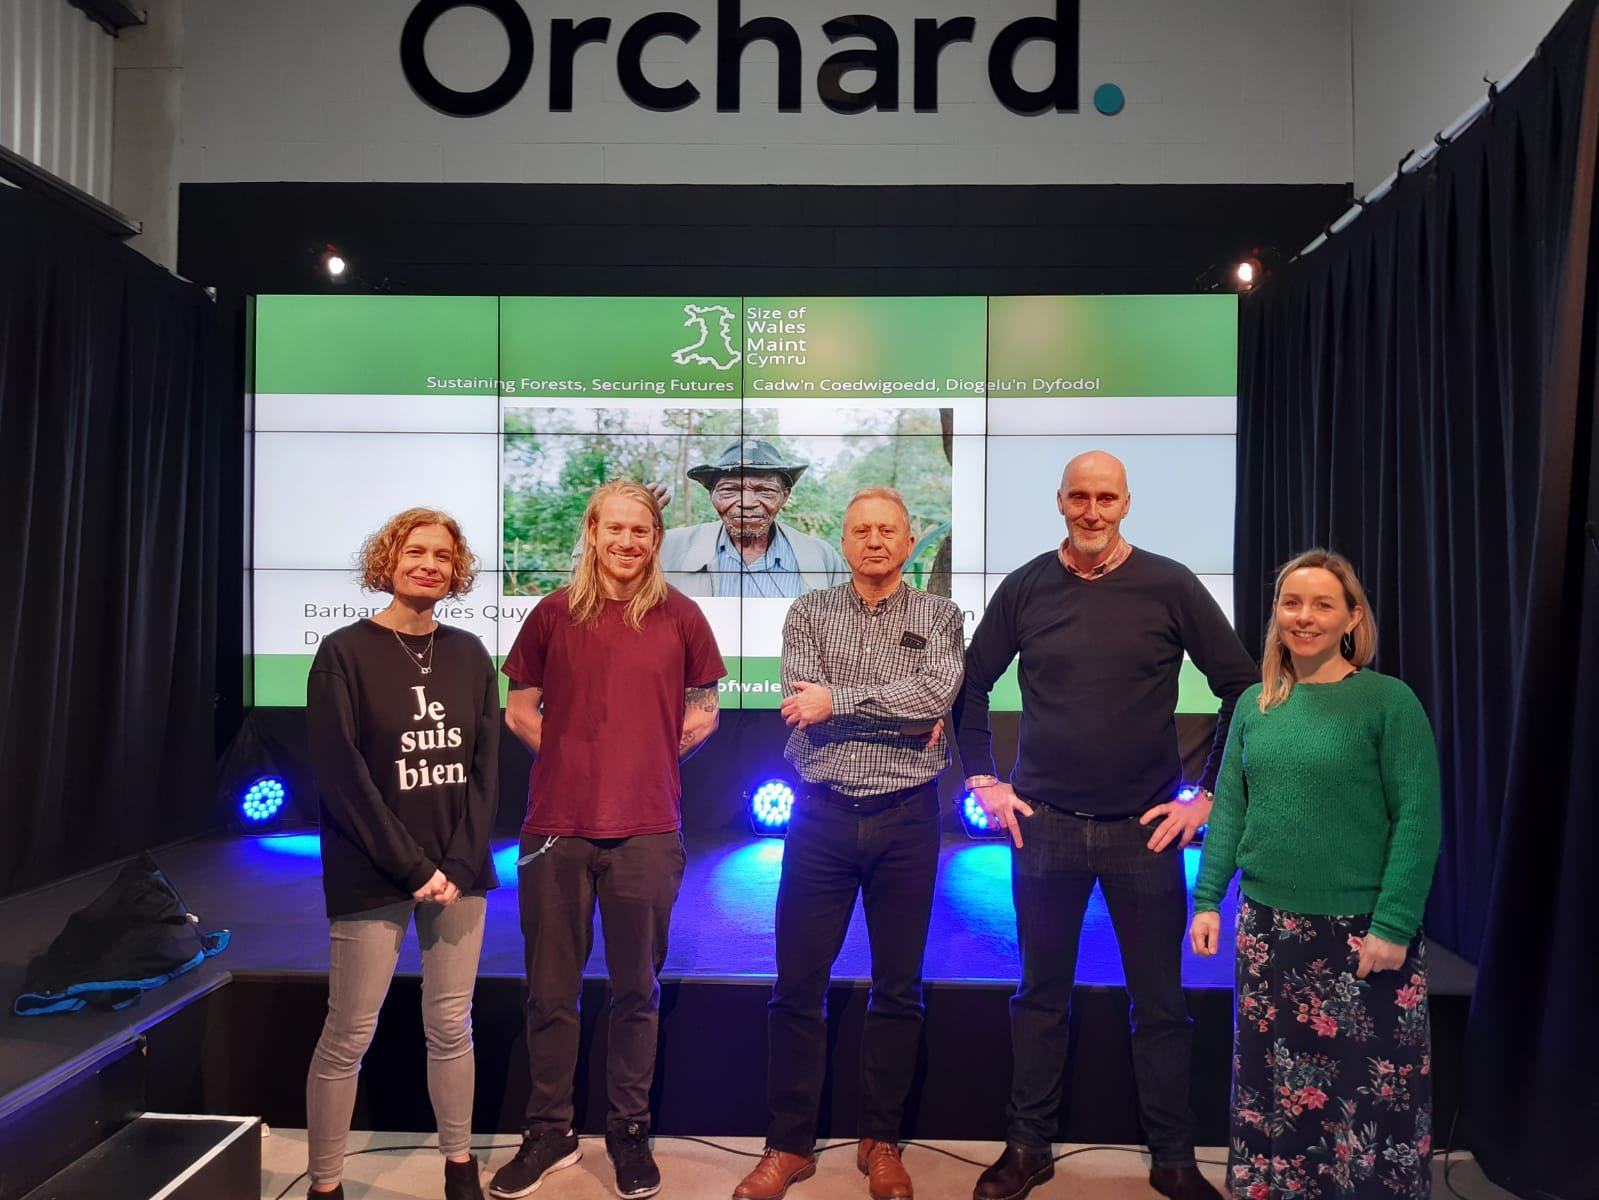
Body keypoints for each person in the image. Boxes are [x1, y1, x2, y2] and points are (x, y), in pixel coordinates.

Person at [957, 450, 1256, 1200]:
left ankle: (1174, 1157)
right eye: (1079, 497)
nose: (1092, 510)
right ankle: (1025, 1147)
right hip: (1044, 827)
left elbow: (1241, 688)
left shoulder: (1169, 583)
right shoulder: (1025, 584)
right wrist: (982, 778)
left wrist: (1208, 794)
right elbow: (970, 683)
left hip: (1143, 834)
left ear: (1126, 502)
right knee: (1037, 998)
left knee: (1160, 1005)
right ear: (1059, 500)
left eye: (1106, 498)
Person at [491, 480, 726, 1200]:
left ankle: (628, 1131)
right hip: (554, 830)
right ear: (591, 533)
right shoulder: (552, 615)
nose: (627, 542)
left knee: (635, 993)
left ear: (656, 541)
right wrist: (570, 760)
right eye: (614, 529)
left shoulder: (682, 617)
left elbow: (704, 713)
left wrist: (644, 762)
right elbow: (519, 709)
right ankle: (549, 1132)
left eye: (641, 531)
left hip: (648, 832)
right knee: (550, 994)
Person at [733, 488, 965, 1200]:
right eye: (861, 529)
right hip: (821, 817)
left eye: (886, 530)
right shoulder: (809, 612)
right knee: (796, 986)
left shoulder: (942, 614)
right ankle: (788, 1145)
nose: (873, 540)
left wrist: (840, 701)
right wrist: (883, 711)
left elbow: (935, 697)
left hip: (907, 818)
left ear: (905, 541)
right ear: (845, 539)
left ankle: (881, 1141)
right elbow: (804, 707)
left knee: (898, 989)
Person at [1190, 549, 1441, 1200]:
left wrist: (1392, 923)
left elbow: (1416, 819)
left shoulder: (1387, 702)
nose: (1303, 616)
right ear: (1275, 613)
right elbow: (1231, 809)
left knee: (1364, 1095)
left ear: (1351, 617)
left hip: (1359, 935)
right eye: (1290, 602)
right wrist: (1207, 900)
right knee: (1272, 1089)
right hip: (1266, 931)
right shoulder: (1253, 703)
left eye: (1322, 603)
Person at [304, 508, 500, 1200]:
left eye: (443, 556)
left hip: (459, 874)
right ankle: (324, 1183)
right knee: (348, 1032)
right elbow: (342, 774)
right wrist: (415, 869)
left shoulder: (473, 654)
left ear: (456, 570)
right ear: (387, 562)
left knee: (451, 1025)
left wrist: (458, 863)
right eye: (415, 552)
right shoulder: (343, 652)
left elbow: (484, 770)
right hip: (373, 872)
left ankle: (458, 1165)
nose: (429, 564)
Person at [657, 438, 849, 597]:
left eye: (765, 490)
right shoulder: (667, 548)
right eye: (730, 490)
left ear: (785, 495)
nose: (747, 503)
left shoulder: (822, 556)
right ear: (712, 494)